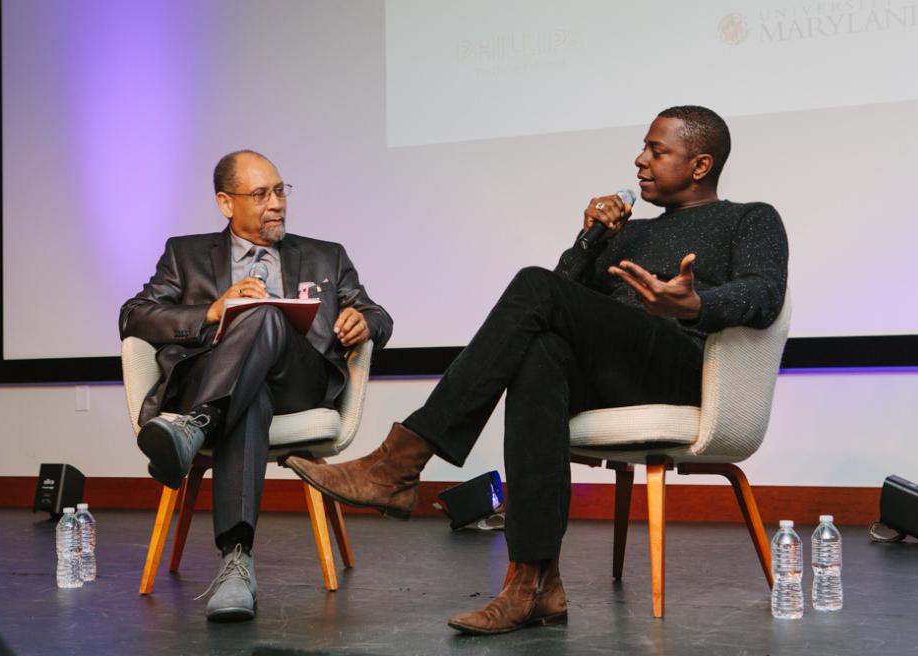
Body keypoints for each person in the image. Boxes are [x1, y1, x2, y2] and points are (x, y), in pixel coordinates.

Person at [286, 106, 788, 634]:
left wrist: (693, 304)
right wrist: (591, 238)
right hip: (615, 373)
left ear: (701, 164)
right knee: (540, 352)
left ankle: (399, 463)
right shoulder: (628, 234)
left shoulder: (750, 218)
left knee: (532, 290)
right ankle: (532, 584)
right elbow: (554, 298)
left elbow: (765, 292)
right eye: (642, 147)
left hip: (684, 366)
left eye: (657, 151)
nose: (640, 161)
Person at [119, 150, 392, 622]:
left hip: (300, 382)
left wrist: (363, 321)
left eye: (281, 191)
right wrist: (211, 311)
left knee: (265, 312)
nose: (276, 204)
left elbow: (379, 315)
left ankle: (195, 425)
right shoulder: (184, 255)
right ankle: (236, 563)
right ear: (226, 203)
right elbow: (134, 314)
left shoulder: (326, 255)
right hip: (227, 384)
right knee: (250, 401)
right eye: (261, 194)